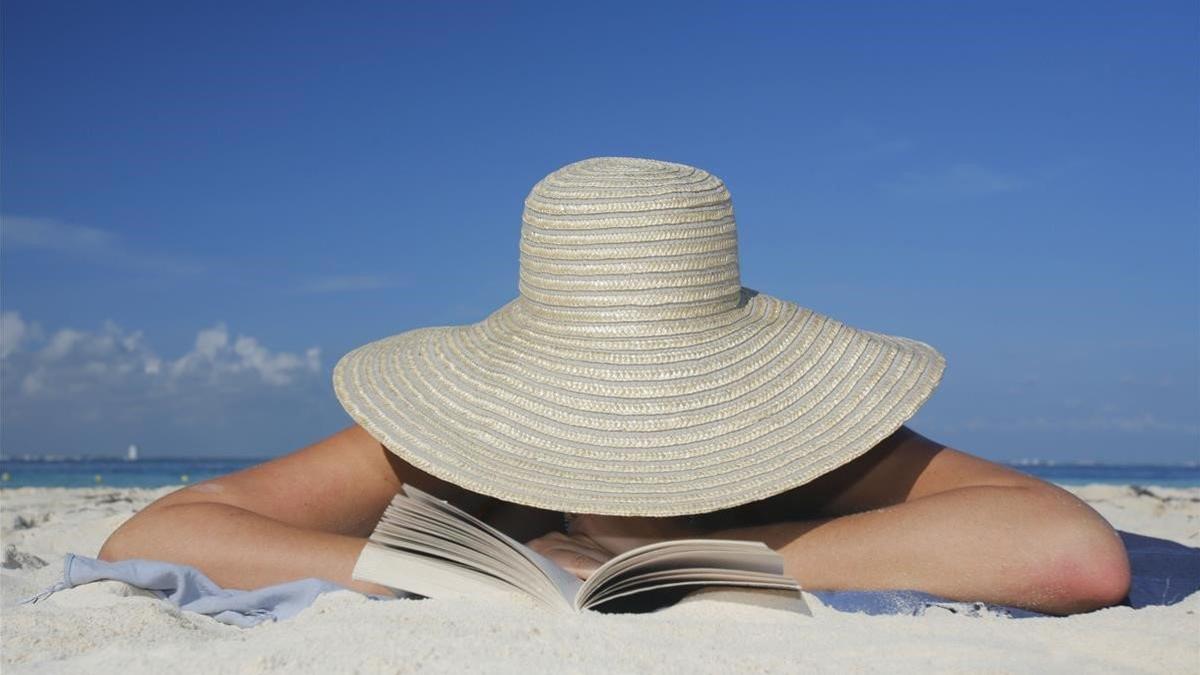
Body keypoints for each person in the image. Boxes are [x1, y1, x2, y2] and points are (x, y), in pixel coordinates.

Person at [98, 158, 1131, 617]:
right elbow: (160, 534)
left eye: (659, 403)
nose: (628, 444)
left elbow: (1071, 555)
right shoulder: (448, 443)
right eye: (600, 402)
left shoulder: (806, 436)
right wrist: (454, 576)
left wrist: (677, 560)